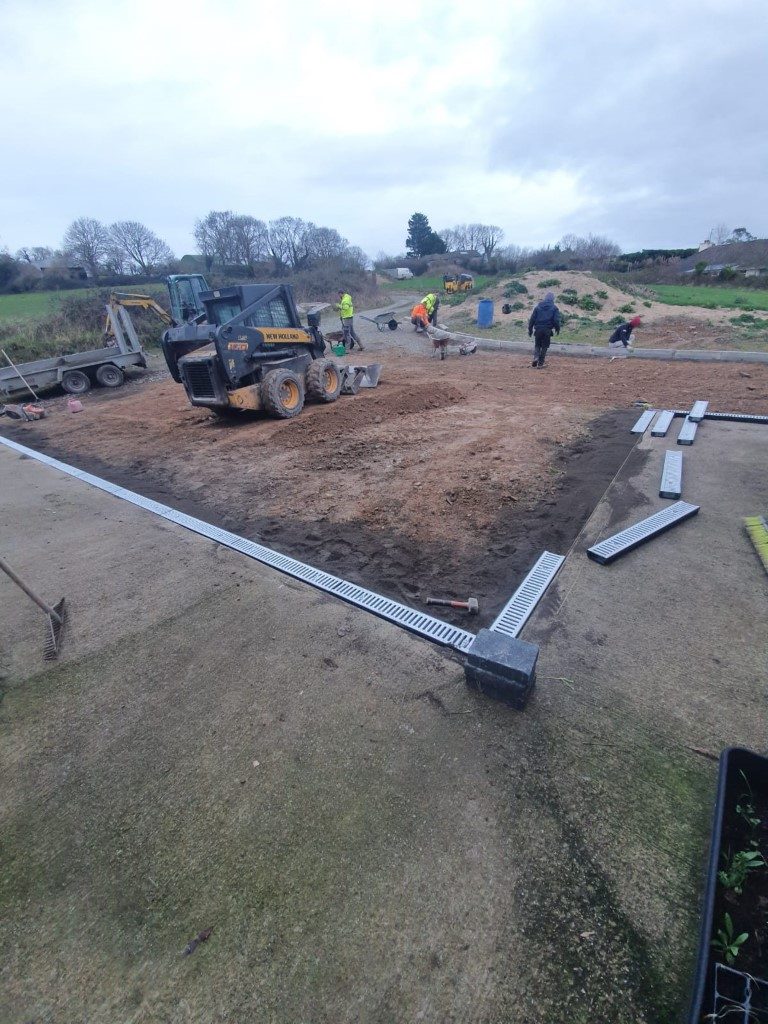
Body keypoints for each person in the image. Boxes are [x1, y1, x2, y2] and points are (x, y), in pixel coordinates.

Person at [527, 291, 562, 367]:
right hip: (547, 330)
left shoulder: (538, 307)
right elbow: (556, 320)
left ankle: (536, 357)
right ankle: (540, 363)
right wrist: (557, 329)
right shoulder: (554, 308)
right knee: (545, 346)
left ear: (545, 298)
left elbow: (532, 319)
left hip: (538, 329)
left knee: (537, 345)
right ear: (553, 299)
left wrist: (530, 330)